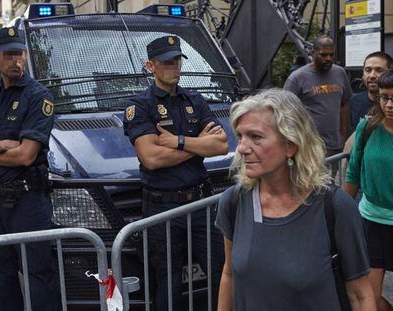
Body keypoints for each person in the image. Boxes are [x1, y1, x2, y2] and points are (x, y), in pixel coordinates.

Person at [216, 88, 375, 310]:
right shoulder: (234, 202)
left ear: (290, 145)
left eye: (256, 137)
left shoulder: (334, 207)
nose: (242, 148)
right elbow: (229, 275)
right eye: (241, 136)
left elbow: (360, 295)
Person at [123, 35, 228, 310]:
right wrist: (198, 145)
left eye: (177, 60)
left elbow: (221, 145)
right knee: (168, 283)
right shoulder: (141, 105)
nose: (175, 67)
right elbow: (151, 158)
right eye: (167, 62)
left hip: (201, 205)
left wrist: (179, 141)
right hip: (162, 209)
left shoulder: (195, 99)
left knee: (221, 274)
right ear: (150, 66)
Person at [0, 27, 58, 310]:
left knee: (39, 277)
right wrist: (4, 146)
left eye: (20, 53)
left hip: (27, 202)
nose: (17, 60)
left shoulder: (39, 96)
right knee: (0, 279)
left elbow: (26, 155)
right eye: (10, 54)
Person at [344, 69, 393, 311]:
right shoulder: (368, 128)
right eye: (384, 97)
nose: (389, 104)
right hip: (372, 222)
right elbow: (352, 173)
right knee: (369, 300)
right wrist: (340, 216)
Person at [283, 36, 352, 161]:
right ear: (313, 53)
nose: (328, 59)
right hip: (310, 147)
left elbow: (345, 103)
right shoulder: (297, 78)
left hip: (335, 145)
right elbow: (285, 112)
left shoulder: (340, 73)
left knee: (333, 180)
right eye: (323, 55)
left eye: (331, 55)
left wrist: (343, 133)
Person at [350, 51, 392, 131]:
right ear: (363, 74)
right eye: (368, 70)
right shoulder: (354, 101)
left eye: (379, 70)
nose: (372, 76)